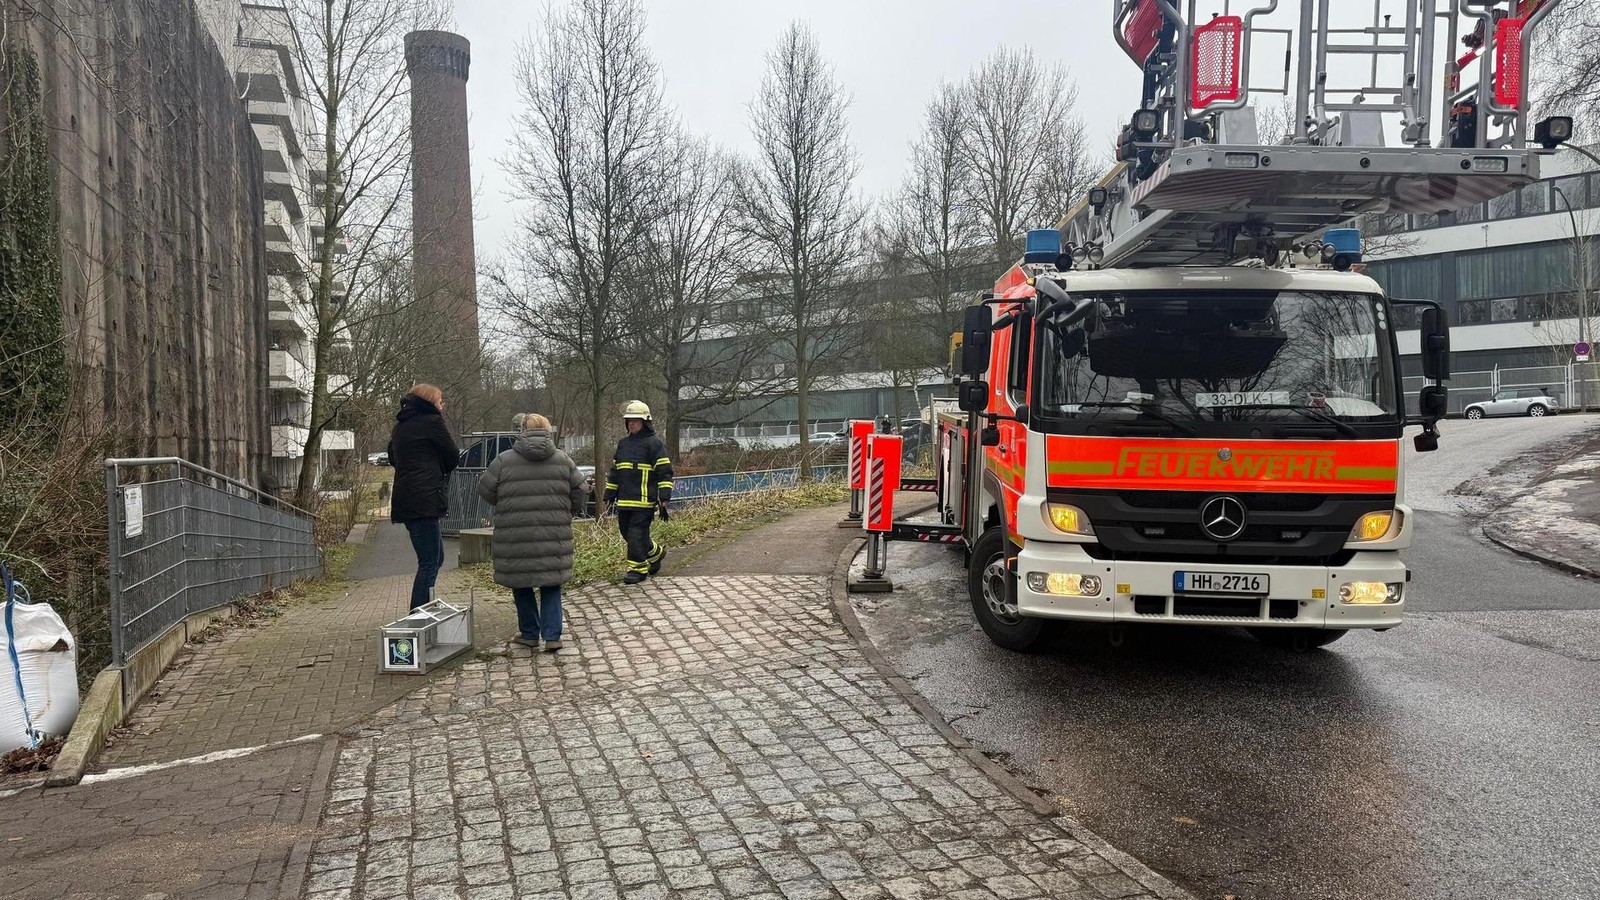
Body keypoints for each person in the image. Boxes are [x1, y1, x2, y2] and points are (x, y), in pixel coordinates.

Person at [477, 413, 586, 651]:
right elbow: (580, 488)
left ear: (522, 431)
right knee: (552, 583)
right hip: (553, 533)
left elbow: (485, 489)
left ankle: (529, 633)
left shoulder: (504, 460)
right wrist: (567, 511)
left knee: (521, 582)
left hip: (515, 533)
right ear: (548, 431)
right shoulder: (562, 459)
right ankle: (552, 636)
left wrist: (505, 503)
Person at [387, 384, 459, 609]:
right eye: (440, 401)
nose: (442, 405)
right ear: (429, 402)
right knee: (429, 562)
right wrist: (436, 467)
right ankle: (418, 612)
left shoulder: (400, 427)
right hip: (425, 499)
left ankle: (425, 605)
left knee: (435, 559)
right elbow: (453, 456)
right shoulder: (432, 422)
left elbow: (392, 457)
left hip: (406, 500)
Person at [603, 400, 673, 585]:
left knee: (636, 534)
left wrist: (664, 496)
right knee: (628, 534)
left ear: (645, 422)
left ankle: (637, 569)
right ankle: (656, 553)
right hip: (624, 501)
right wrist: (610, 494)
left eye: (635, 420)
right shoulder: (623, 444)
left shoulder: (654, 444)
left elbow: (664, 472)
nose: (631, 423)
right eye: (629, 420)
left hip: (644, 501)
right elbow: (615, 471)